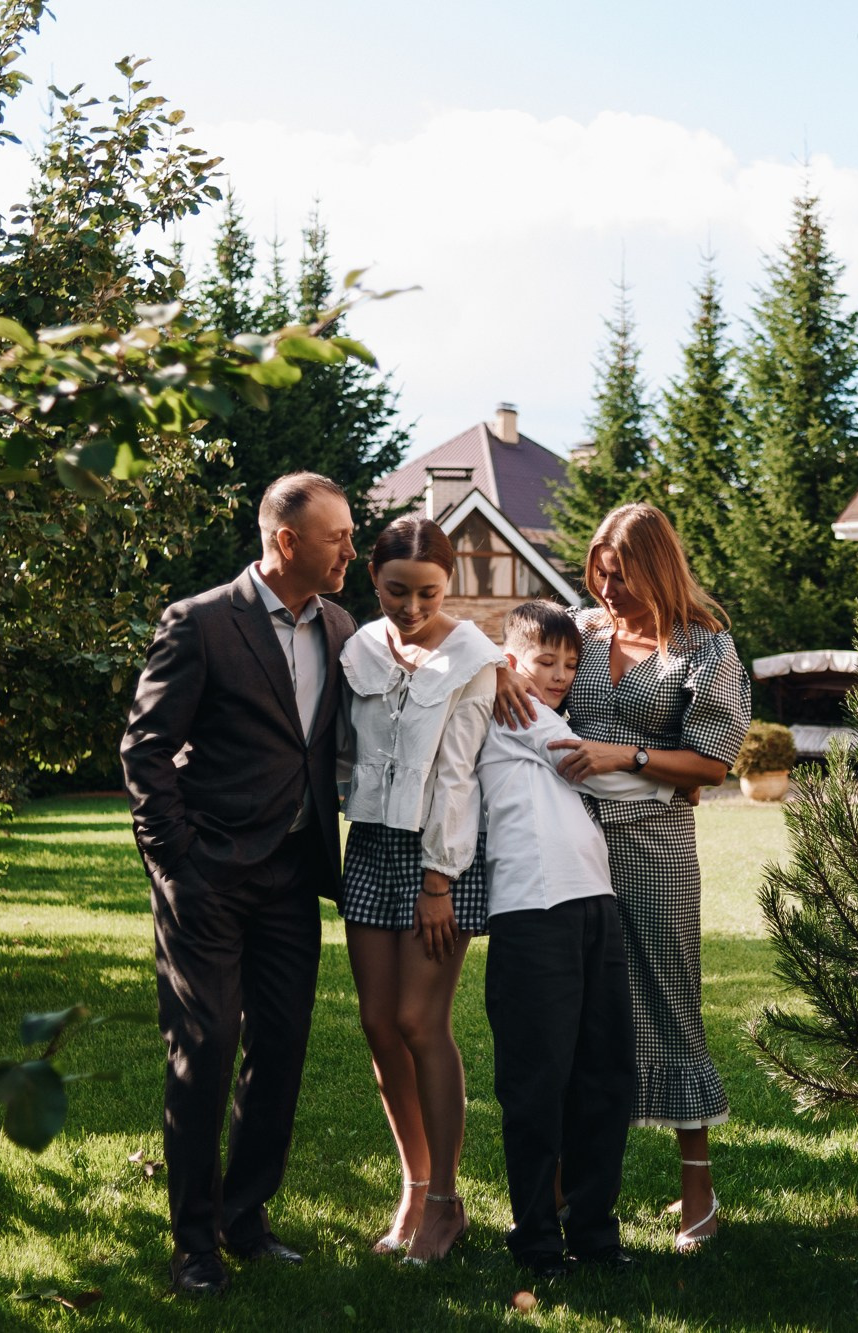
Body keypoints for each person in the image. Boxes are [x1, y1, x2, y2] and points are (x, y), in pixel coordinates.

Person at [120, 472, 358, 1298]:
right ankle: (193, 1244)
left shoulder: (339, 624)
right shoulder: (199, 621)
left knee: (283, 1048)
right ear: (287, 541)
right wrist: (175, 860)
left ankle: (245, 1218)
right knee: (206, 1047)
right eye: (338, 537)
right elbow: (145, 748)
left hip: (294, 874)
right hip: (208, 875)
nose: (350, 552)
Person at [527, 502, 751, 1252]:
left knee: (668, 997)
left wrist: (628, 755)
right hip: (568, 842)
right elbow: (514, 665)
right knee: (577, 1008)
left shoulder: (703, 648)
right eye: (600, 573)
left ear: (657, 567)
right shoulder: (579, 633)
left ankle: (698, 1194)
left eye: (621, 575)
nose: (608, 588)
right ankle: (563, 1183)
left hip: (654, 847)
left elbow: (714, 763)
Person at [479, 601, 670, 1278]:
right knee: (537, 1083)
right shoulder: (509, 710)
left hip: (594, 905)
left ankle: (594, 1232)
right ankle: (535, 1238)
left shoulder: (545, 711)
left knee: (606, 1077)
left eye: (569, 663)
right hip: (533, 913)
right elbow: (584, 765)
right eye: (544, 662)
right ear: (510, 663)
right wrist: (677, 777)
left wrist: (587, 620)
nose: (559, 675)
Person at [339, 516, 505, 1265]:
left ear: (452, 586)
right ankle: (414, 1184)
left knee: (418, 1020)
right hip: (370, 843)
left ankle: (446, 1201)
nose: (411, 608)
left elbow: (458, 771)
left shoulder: (474, 656)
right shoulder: (359, 648)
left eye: (428, 593)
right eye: (396, 591)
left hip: (442, 854)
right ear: (373, 579)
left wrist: (439, 878)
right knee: (377, 1023)